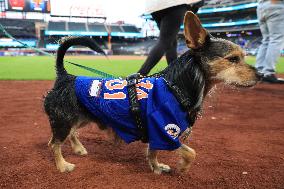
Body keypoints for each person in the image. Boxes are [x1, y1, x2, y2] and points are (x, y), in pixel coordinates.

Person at [138, 0, 204, 75]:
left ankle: (174, 73)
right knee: (165, 42)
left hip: (155, 7)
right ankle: (140, 75)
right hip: (174, 4)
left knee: (171, 43)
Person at [255, 0, 284, 83]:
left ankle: (258, 72)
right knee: (276, 39)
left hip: (261, 6)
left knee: (266, 40)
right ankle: (268, 73)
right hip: (276, 4)